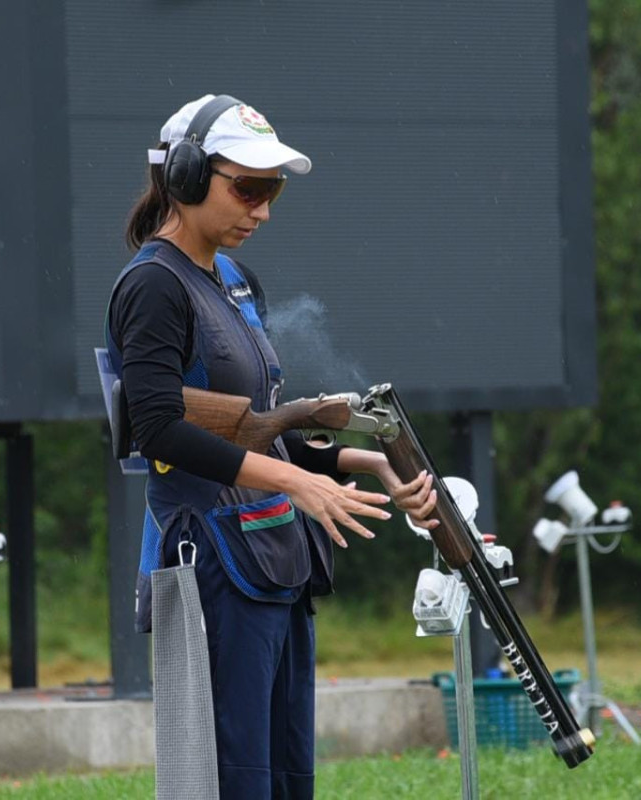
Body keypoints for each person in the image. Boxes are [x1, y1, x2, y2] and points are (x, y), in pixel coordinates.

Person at [105, 94, 438, 799]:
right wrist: (297, 486)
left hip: (270, 556)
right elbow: (159, 428)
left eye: (272, 190)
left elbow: (258, 429)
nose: (262, 209)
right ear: (188, 176)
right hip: (212, 563)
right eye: (247, 188)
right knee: (228, 778)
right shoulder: (153, 285)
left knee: (285, 774)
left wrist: (367, 463)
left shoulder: (235, 282)